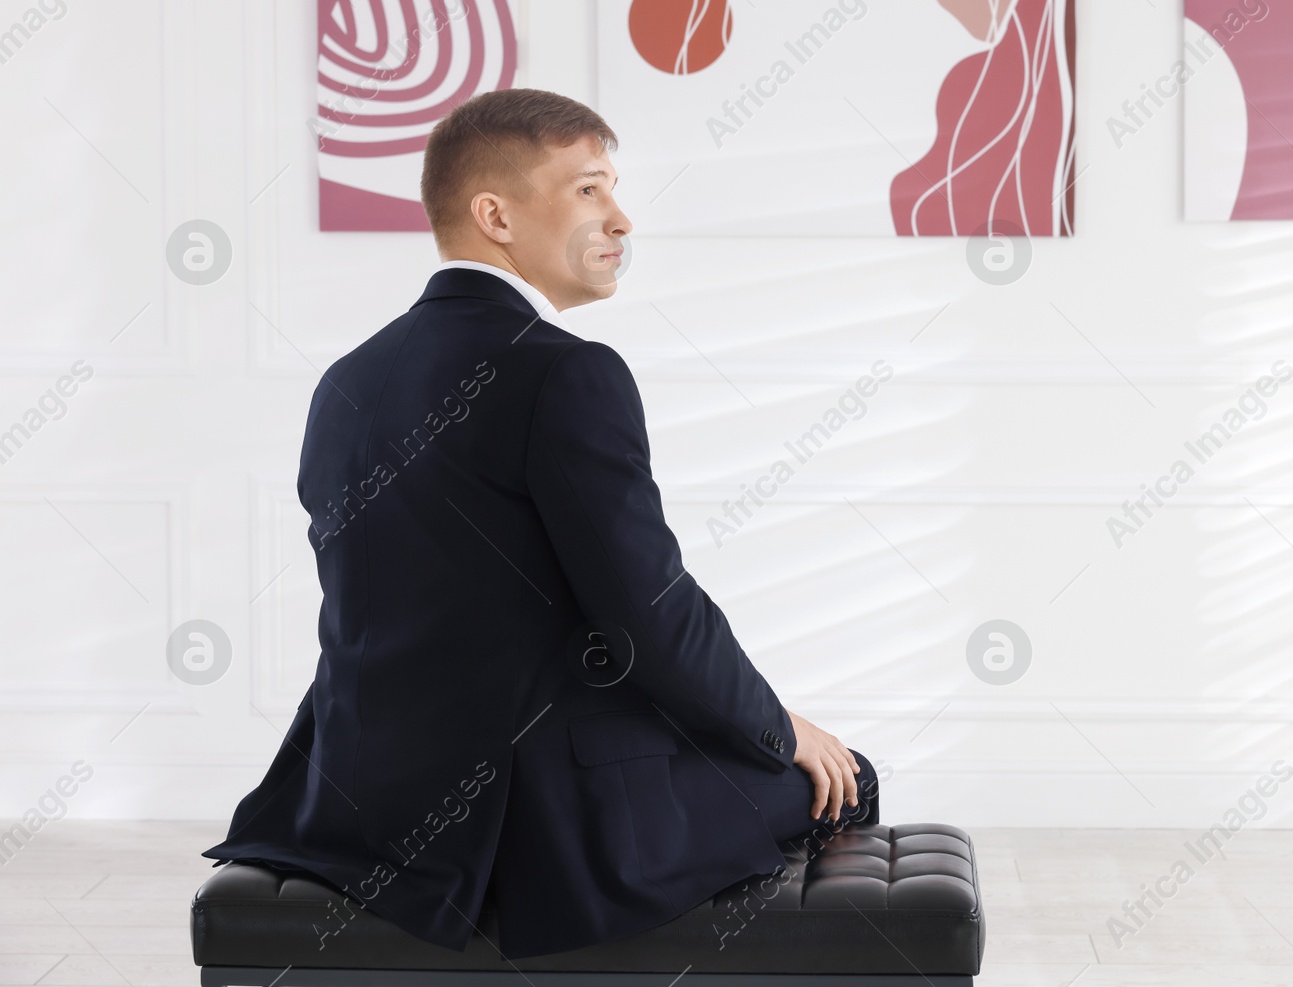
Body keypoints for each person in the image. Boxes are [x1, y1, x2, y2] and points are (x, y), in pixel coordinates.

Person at [201, 88, 878, 959]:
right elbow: (652, 617)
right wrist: (784, 729)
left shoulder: (347, 380)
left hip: (351, 803)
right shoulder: (566, 374)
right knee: (845, 781)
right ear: (496, 215)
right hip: (533, 819)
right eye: (591, 190)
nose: (621, 219)